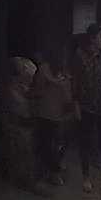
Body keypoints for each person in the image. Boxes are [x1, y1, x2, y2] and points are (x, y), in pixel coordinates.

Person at [71, 24, 101, 195]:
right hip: (86, 106)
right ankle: (86, 177)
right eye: (100, 37)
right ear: (92, 38)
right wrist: (75, 103)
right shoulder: (80, 55)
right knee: (85, 142)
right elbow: (75, 81)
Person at [3, 57, 51, 197]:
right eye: (27, 76)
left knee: (29, 153)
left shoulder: (27, 85)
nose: (30, 79)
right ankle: (27, 181)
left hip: (27, 124)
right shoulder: (13, 89)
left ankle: (29, 180)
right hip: (18, 124)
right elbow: (20, 107)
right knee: (22, 153)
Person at [29, 46, 72, 186]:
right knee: (56, 144)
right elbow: (68, 97)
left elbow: (37, 91)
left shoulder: (43, 70)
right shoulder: (65, 73)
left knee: (44, 144)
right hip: (60, 114)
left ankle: (48, 172)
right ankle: (55, 172)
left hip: (44, 112)